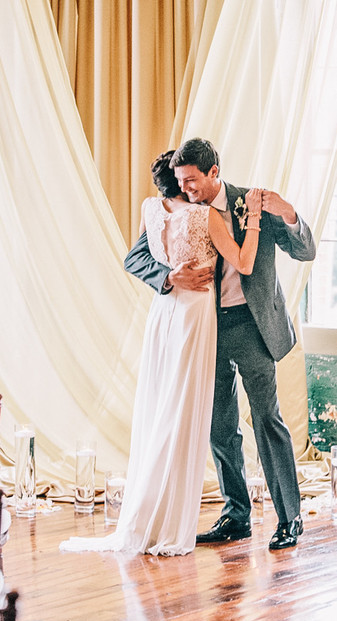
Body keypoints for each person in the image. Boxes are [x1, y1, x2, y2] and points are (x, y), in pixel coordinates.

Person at [60, 151, 261, 556]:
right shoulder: (206, 217)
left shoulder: (150, 209)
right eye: (186, 180)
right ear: (181, 180)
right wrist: (253, 218)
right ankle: (169, 519)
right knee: (183, 412)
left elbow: (149, 250)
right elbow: (242, 262)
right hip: (193, 313)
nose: (191, 186)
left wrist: (170, 274)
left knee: (160, 408)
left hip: (164, 314)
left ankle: (149, 513)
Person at [124, 137, 316, 551]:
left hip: (253, 326)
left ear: (214, 172)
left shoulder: (252, 202)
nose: (185, 189)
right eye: (181, 182)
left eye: (192, 181)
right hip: (204, 328)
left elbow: (306, 251)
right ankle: (236, 516)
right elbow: (136, 257)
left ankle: (290, 518)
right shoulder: (181, 208)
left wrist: (289, 212)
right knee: (219, 426)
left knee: (267, 420)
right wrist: (168, 278)